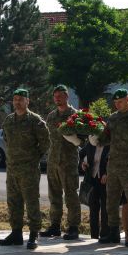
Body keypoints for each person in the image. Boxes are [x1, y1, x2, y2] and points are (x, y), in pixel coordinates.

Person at [94, 89, 128, 247]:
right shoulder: (113, 118)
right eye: (115, 102)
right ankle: (113, 231)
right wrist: (95, 136)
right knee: (111, 200)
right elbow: (106, 138)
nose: (117, 105)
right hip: (114, 165)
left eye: (120, 101)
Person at [0, 89, 50, 250]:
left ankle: (34, 234)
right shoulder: (8, 120)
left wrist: (34, 158)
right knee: (13, 202)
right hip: (12, 169)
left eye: (21, 99)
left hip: (29, 170)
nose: (17, 102)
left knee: (31, 201)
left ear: (27, 101)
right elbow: (6, 139)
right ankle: (16, 233)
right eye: (15, 99)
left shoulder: (35, 121)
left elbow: (45, 143)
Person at [41, 85, 82, 240]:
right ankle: (55, 226)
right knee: (54, 195)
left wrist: (77, 140)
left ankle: (73, 227)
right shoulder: (51, 116)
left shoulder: (75, 115)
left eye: (60, 95)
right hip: (53, 162)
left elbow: (83, 140)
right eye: (55, 96)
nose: (57, 98)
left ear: (67, 97)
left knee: (71, 195)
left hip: (68, 162)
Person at [80, 141, 110, 239]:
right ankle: (94, 236)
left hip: (105, 180)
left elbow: (114, 160)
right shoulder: (91, 143)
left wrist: (108, 173)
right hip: (92, 180)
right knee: (93, 209)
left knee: (105, 209)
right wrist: (83, 163)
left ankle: (105, 235)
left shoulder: (110, 144)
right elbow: (81, 154)